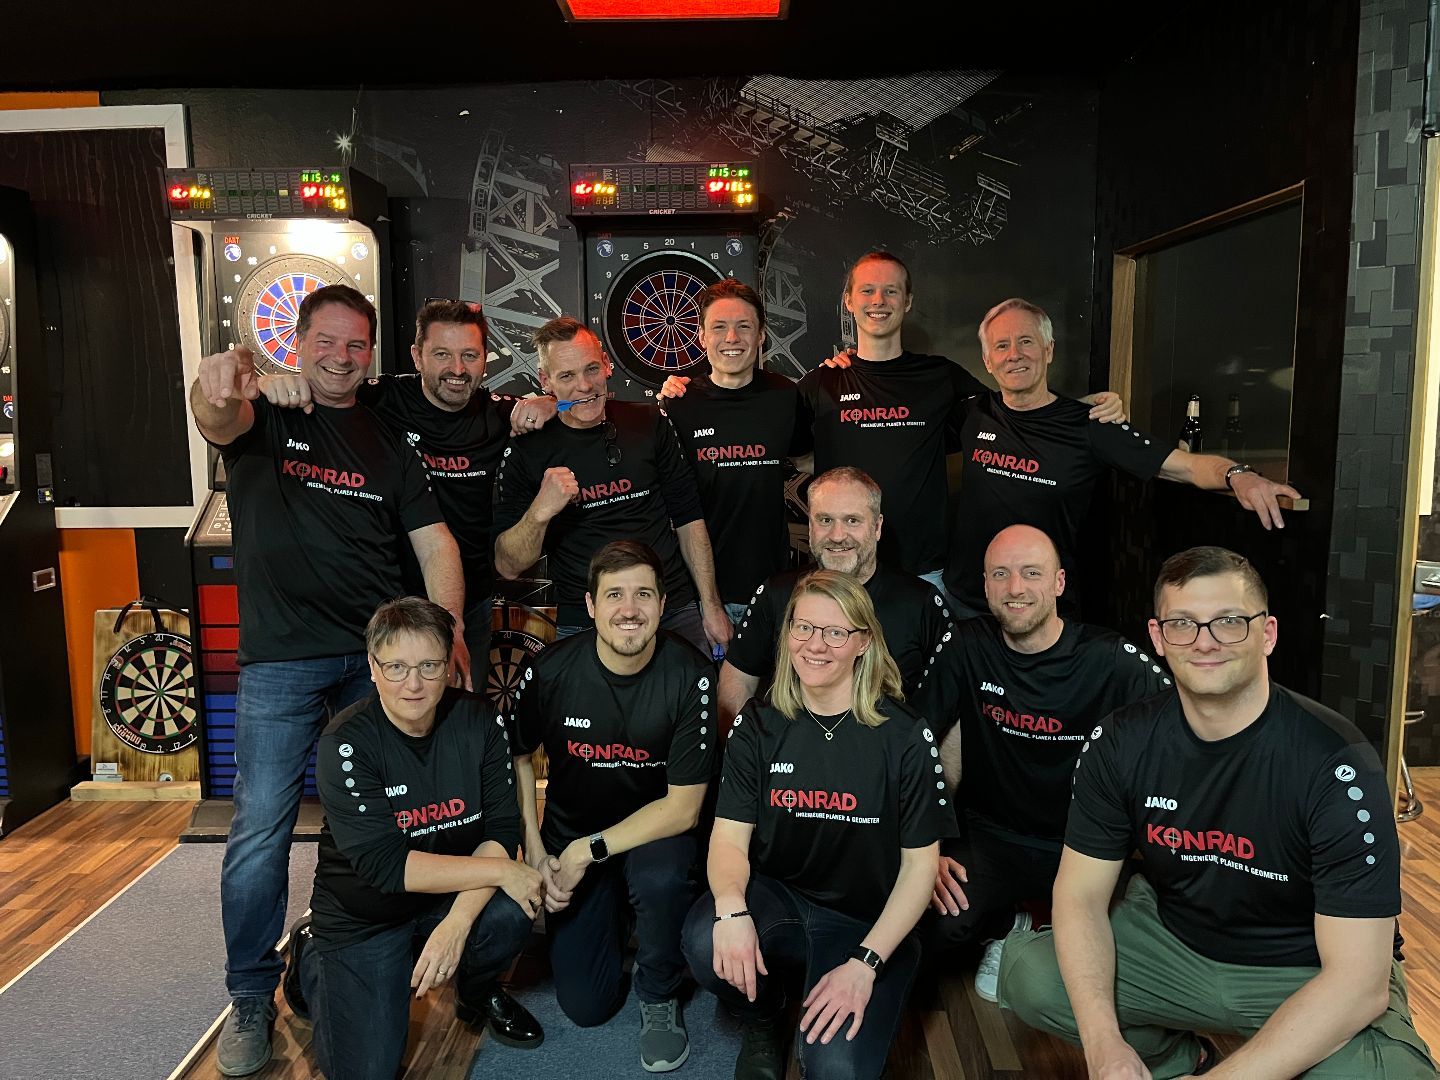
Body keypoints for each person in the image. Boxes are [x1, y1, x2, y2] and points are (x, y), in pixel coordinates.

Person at [999, 546, 1435, 1078]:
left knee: (1391, 1075)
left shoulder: (1335, 764)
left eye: (1229, 622)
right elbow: (1080, 897)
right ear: (1159, 638)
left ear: (1267, 634)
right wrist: (1104, 1046)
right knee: (1030, 976)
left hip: (1300, 968)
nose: (1205, 642)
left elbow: (1359, 983)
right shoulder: (1121, 742)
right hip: (1173, 947)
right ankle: (1176, 1059)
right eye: (1182, 624)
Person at [189, 284, 467, 1078]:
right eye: (327, 341)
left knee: (375, 820)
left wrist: (445, 635)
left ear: (372, 353)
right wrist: (220, 379)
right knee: (261, 831)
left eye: (355, 345)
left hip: (374, 663)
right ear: (299, 342)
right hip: (280, 661)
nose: (341, 357)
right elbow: (215, 415)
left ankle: (345, 947)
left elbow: (436, 543)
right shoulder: (264, 412)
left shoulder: (387, 441)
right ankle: (250, 995)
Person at [682, 570, 954, 1080]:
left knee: (836, 1070)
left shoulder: (904, 737)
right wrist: (732, 910)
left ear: (863, 642)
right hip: (780, 897)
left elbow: (921, 869)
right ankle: (764, 1016)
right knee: (704, 939)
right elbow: (728, 839)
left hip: (864, 921)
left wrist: (865, 964)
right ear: (787, 633)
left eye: (835, 632)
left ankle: (842, 985)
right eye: (803, 628)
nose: (815, 645)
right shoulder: (758, 725)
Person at [281, 598, 543, 1080]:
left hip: (444, 895)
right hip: (365, 914)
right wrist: (504, 869)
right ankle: (312, 958)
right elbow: (385, 865)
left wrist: (457, 923)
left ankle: (475, 990)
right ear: (373, 668)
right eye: (397, 667)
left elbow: (500, 831)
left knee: (510, 913)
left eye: (428, 666)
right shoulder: (346, 741)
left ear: (449, 665)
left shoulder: (481, 720)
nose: (414, 684)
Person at [909, 524, 1171, 1001]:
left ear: (1059, 582)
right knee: (932, 925)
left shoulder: (1109, 657)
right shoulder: (966, 644)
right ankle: (1011, 925)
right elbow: (914, 744)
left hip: (1084, 845)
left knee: (1116, 955)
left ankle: (1037, 935)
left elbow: (1182, 725)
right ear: (985, 584)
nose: (1015, 588)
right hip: (989, 834)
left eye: (1032, 573)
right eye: (1001, 574)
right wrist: (926, 846)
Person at [253, 298, 555, 688]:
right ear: (416, 356)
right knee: (386, 719)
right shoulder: (378, 398)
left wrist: (550, 402)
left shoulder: (499, 413)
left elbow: (579, 404)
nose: (457, 369)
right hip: (389, 606)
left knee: (461, 713)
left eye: (469, 355)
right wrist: (267, 382)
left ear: (485, 359)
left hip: (467, 603)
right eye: (442, 354)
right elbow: (321, 386)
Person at [943, 297, 1303, 616]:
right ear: (987, 361)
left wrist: (1239, 474)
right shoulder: (972, 414)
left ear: (1049, 350)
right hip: (967, 602)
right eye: (1002, 345)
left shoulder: (1091, 425)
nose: (1014, 354)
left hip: (1043, 610)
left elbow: (1185, 467)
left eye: (1026, 341)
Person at [507, 541, 719, 1072]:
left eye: (643, 594)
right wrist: (535, 849)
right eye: (615, 595)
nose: (630, 609)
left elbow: (685, 808)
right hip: (570, 834)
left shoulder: (691, 674)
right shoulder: (550, 670)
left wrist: (586, 850)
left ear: (663, 605)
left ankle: (659, 991)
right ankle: (619, 915)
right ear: (591, 605)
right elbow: (517, 756)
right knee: (587, 1006)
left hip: (654, 838)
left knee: (660, 880)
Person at [799, 252, 1124, 592]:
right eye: (867, 290)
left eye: (891, 290)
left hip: (924, 572)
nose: (878, 300)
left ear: (908, 301)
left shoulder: (940, 375)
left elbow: (1014, 410)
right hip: (843, 569)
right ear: (849, 301)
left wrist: (1077, 409)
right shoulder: (823, 382)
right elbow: (794, 453)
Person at [492, 316, 729, 655]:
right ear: (545, 381)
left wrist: (711, 605)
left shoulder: (648, 421)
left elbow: (688, 518)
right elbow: (508, 566)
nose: (584, 386)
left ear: (606, 364)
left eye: (591, 369)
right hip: (584, 620)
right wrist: (540, 512)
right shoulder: (527, 449)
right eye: (567, 376)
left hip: (671, 608)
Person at [718, 466, 952, 726]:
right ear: (810, 527)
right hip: (792, 747)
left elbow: (951, 700)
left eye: (852, 520)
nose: (837, 536)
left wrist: (922, 751)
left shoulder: (920, 602)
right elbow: (738, 678)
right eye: (825, 520)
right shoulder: (776, 592)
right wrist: (741, 746)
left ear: (877, 527)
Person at [659, 279, 814, 623]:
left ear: (761, 336)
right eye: (719, 327)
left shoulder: (784, 396)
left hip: (774, 589)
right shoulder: (679, 402)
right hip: (699, 598)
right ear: (702, 336)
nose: (732, 338)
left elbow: (809, 461)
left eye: (744, 326)